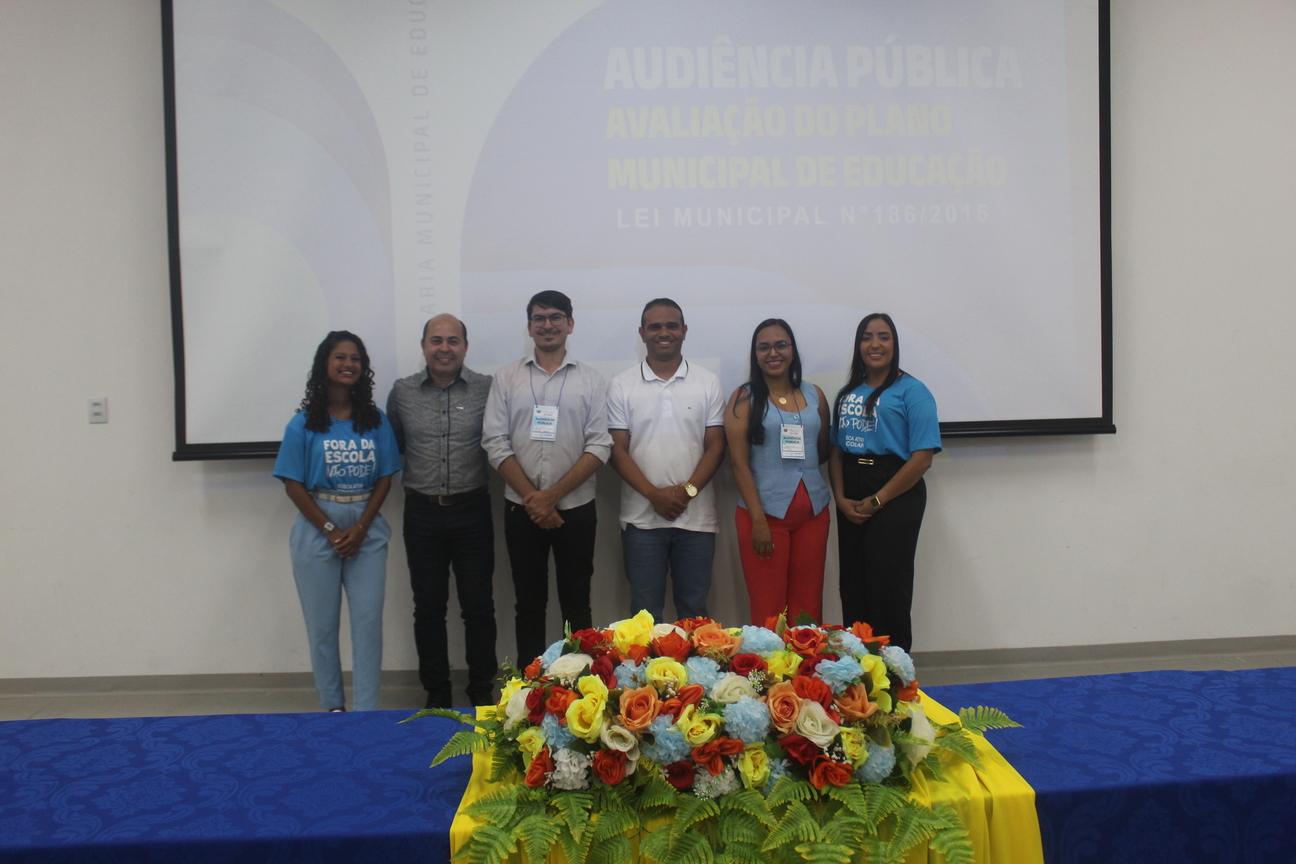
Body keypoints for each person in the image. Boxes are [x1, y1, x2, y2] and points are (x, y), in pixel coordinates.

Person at [482, 290, 612, 665]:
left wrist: (550, 496)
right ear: (529, 327)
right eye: (539, 318)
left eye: (556, 317)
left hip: (576, 509)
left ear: (570, 324)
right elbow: (494, 441)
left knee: (577, 602)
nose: (547, 325)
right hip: (520, 508)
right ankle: (529, 686)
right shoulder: (507, 377)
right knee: (528, 603)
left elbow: (600, 444)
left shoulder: (591, 380)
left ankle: (582, 684)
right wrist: (535, 499)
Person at [272, 331, 400, 711]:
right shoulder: (302, 424)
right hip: (317, 530)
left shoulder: (375, 421)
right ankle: (332, 708)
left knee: (368, 625)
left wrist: (360, 528)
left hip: (366, 531)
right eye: (340, 357)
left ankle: (365, 711)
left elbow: (385, 477)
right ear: (324, 365)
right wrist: (330, 530)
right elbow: (292, 484)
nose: (349, 364)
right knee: (322, 628)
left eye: (355, 358)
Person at [386, 314, 496, 709]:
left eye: (453, 341)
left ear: (465, 347)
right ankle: (436, 691)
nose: (444, 348)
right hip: (422, 513)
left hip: (472, 511)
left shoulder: (487, 388)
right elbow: (395, 445)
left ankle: (481, 689)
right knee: (428, 608)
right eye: (436, 340)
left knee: (478, 607)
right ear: (423, 346)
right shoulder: (402, 393)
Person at [607, 299, 726, 622]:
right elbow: (617, 449)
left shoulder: (707, 382)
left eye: (672, 325)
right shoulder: (621, 385)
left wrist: (686, 492)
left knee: (695, 616)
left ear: (684, 331)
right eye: (655, 326)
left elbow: (716, 445)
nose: (664, 333)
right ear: (642, 333)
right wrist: (654, 494)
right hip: (642, 521)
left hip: (696, 520)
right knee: (644, 618)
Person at [828, 313, 940, 653]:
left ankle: (894, 671)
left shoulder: (913, 391)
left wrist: (878, 500)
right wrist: (840, 498)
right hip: (852, 492)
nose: (875, 344)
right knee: (853, 584)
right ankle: (858, 669)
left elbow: (922, 458)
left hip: (895, 492)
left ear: (895, 344)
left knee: (887, 586)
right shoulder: (847, 393)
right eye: (867, 337)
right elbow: (836, 452)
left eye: (884, 337)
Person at [724, 319, 831, 625]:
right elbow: (738, 464)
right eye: (764, 347)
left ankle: (805, 659)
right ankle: (771, 661)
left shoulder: (815, 394)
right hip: (763, 518)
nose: (773, 353)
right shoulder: (743, 398)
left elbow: (822, 449)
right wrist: (758, 521)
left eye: (781, 345)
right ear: (755, 355)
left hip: (813, 515)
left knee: (807, 610)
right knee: (769, 611)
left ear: (792, 350)